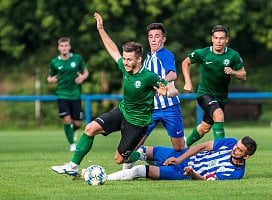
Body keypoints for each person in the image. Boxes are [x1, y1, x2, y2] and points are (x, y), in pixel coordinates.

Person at [50, 12, 178, 176]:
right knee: (90, 129)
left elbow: (175, 90)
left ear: (139, 59)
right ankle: (72, 166)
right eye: (124, 59)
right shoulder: (125, 67)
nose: (125, 63)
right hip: (122, 112)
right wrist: (101, 29)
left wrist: (166, 92)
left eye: (129, 60)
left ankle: (141, 154)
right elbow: (112, 49)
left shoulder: (149, 77)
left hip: (137, 123)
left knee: (119, 159)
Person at [181, 25, 247, 147]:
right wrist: (188, 82)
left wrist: (233, 72)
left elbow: (243, 74)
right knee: (219, 115)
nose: (218, 41)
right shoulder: (203, 53)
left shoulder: (233, 55)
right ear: (212, 39)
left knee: (205, 127)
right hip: (204, 93)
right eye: (216, 38)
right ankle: (222, 151)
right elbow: (186, 62)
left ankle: (184, 146)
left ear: (226, 40)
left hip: (220, 96)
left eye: (221, 38)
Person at [107, 136, 257, 181]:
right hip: (183, 156)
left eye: (239, 150)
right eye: (236, 146)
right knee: (142, 151)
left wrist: (192, 173)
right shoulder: (230, 143)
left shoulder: (235, 174)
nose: (234, 149)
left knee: (139, 170)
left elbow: (207, 181)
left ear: (247, 156)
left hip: (184, 173)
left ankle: (105, 178)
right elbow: (202, 146)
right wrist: (180, 158)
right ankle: (122, 174)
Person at [138, 23, 185, 150]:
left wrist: (161, 81)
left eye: (157, 36)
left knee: (179, 147)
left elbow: (173, 74)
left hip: (170, 107)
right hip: (150, 109)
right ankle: (126, 170)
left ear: (163, 39)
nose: (153, 39)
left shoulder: (165, 55)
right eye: (150, 36)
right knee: (136, 142)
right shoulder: (147, 58)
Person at [47, 37, 89, 151]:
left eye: (66, 45)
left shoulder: (77, 58)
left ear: (69, 47)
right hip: (62, 94)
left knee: (78, 123)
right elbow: (49, 78)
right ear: (58, 47)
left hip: (75, 94)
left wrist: (82, 77)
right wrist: (51, 80)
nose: (64, 48)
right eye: (62, 46)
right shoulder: (54, 62)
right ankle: (72, 144)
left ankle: (72, 131)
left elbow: (86, 72)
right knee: (67, 119)